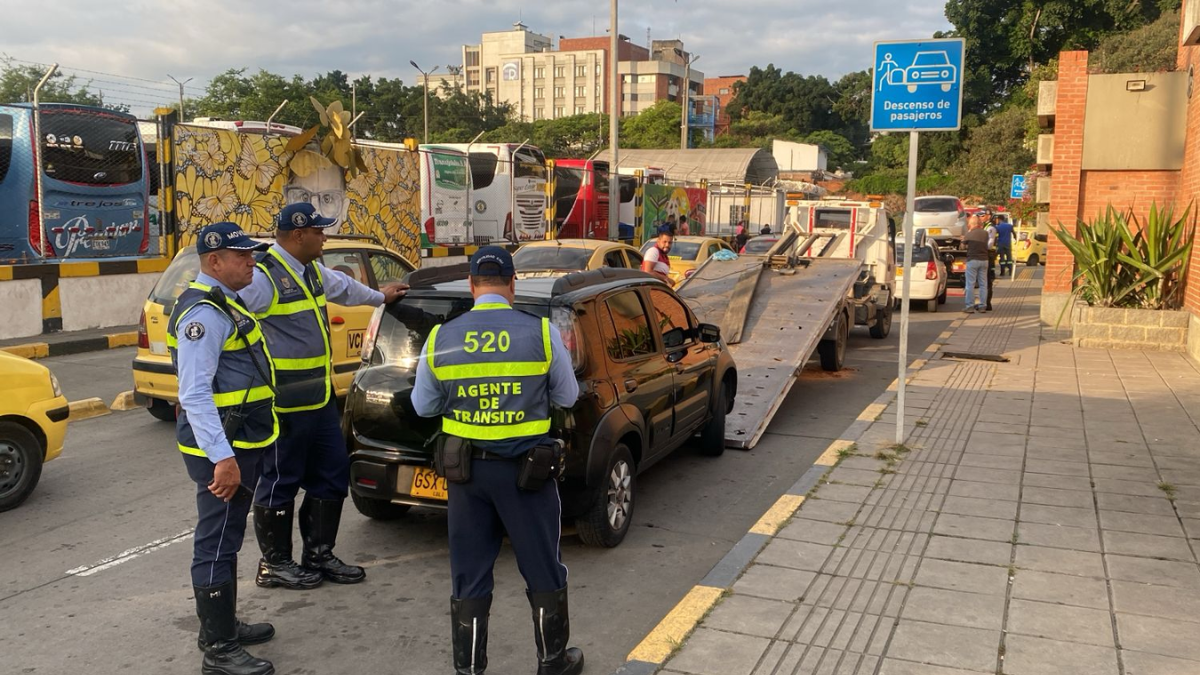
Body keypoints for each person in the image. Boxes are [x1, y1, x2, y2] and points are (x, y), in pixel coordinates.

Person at [411, 247, 583, 675]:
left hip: (467, 476)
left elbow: (423, 406)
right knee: (542, 567)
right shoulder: (541, 333)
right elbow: (568, 397)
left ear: (472, 285)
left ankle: (469, 669)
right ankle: (553, 662)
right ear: (512, 284)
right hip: (528, 476)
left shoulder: (441, 337)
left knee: (468, 574)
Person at [238, 202, 407, 591]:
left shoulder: (310, 270)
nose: (325, 237)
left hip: (318, 398)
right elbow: (231, 319)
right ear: (298, 235)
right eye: (319, 231)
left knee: (332, 473)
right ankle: (275, 563)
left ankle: (318, 554)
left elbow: (343, 288)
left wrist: (380, 297)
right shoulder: (264, 278)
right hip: (282, 403)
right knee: (280, 481)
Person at [170, 222, 277, 675]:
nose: (251, 262)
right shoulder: (205, 315)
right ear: (214, 261)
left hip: (240, 438)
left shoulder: (224, 301)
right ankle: (218, 650)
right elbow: (194, 394)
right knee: (216, 541)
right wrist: (224, 459)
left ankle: (221, 625)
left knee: (227, 537)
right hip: (223, 447)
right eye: (242, 256)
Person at [961, 215, 990, 313]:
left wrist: (963, 240)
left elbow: (963, 246)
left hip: (972, 260)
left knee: (970, 284)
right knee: (983, 284)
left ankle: (970, 306)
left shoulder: (969, 234)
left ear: (971, 224)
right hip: (984, 260)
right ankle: (983, 306)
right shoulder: (985, 233)